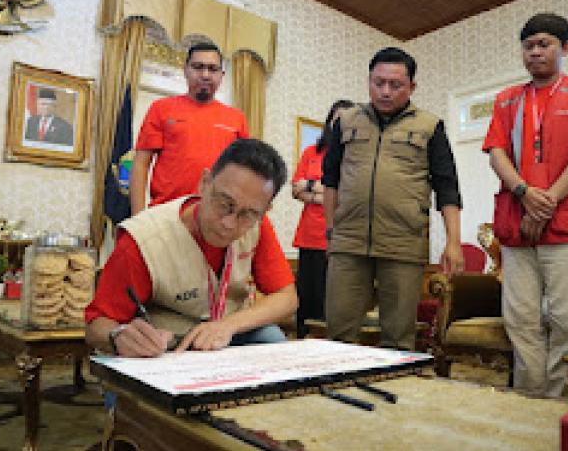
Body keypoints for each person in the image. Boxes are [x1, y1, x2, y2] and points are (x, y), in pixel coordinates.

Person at [482, 13, 568, 397]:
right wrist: (524, 192)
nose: (535, 52)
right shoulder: (507, 99)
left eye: (545, 44)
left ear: (565, 47)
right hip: (516, 218)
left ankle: (558, 399)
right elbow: (496, 153)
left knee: (567, 320)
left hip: (566, 222)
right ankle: (529, 396)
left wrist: (547, 201)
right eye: (528, 46)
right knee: (520, 318)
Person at [85, 138, 298, 357]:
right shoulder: (143, 240)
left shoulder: (258, 226)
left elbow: (287, 298)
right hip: (166, 343)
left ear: (264, 211)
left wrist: (228, 325)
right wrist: (118, 336)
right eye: (224, 204)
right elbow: (96, 326)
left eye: (248, 214)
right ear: (204, 183)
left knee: (271, 337)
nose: (229, 223)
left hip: (227, 333)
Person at [322, 47, 464, 351]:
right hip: (348, 243)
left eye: (395, 85)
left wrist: (453, 242)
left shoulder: (430, 126)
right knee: (338, 334)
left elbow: (447, 186)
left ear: (412, 86)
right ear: (369, 82)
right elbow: (330, 179)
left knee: (398, 339)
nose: (385, 91)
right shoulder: (346, 121)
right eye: (378, 83)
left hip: (403, 244)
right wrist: (332, 229)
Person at [130, 41, 249, 215]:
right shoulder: (161, 108)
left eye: (213, 69)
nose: (205, 75)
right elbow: (141, 163)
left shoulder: (237, 119)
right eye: (198, 67)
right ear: (185, 70)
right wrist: (138, 217)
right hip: (166, 213)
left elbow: (243, 173)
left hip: (214, 217)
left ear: (221, 75)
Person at [292, 99, 354, 338]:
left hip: (340, 236)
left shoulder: (354, 156)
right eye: (337, 119)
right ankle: (301, 342)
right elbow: (296, 189)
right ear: (329, 122)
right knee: (306, 296)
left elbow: (348, 196)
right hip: (309, 235)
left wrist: (312, 189)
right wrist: (326, 192)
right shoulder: (311, 152)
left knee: (330, 299)